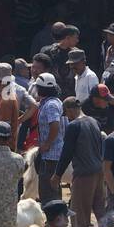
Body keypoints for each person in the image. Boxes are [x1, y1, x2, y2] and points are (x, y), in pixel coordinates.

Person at [54, 95, 104, 227]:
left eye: (66, 114)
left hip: (84, 172)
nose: (67, 117)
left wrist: (57, 174)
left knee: (78, 208)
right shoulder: (94, 122)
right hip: (98, 170)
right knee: (99, 207)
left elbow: (67, 152)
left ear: (69, 110)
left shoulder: (74, 126)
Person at [33, 73, 66, 204]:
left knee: (47, 190)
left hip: (51, 155)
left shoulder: (50, 105)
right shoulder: (54, 102)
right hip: (54, 153)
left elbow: (55, 124)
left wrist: (47, 143)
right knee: (54, 187)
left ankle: (53, 219)